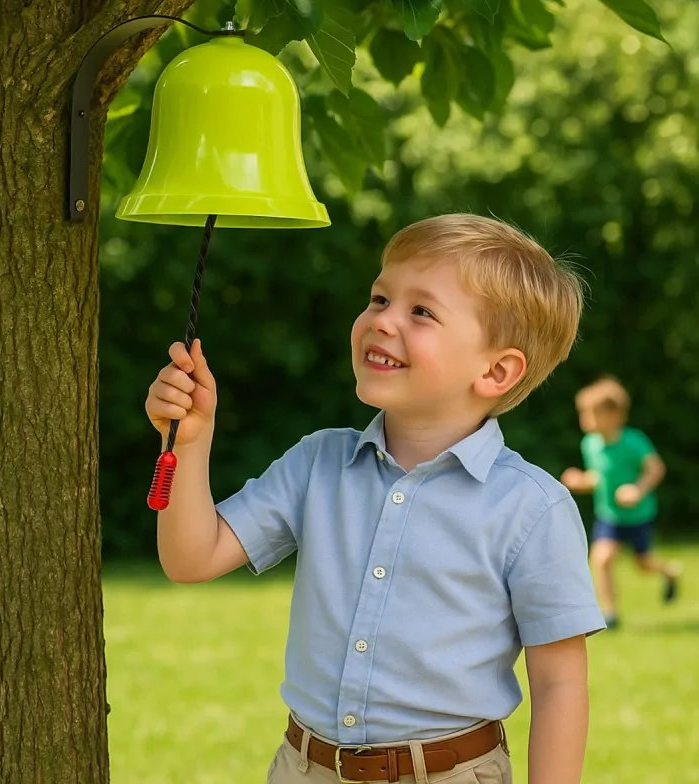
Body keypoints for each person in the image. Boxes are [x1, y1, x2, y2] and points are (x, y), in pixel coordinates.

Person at [145, 214, 605, 784]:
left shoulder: (532, 508)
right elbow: (191, 559)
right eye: (380, 298)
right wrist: (190, 442)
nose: (382, 320)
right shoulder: (318, 463)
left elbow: (560, 684)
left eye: (421, 311)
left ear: (495, 370)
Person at [561, 376, 680, 629]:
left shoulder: (633, 441)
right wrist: (581, 480)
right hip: (609, 515)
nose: (585, 420)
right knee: (602, 558)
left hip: (638, 515)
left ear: (615, 416)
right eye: (583, 413)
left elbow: (655, 469)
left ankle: (669, 573)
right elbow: (599, 477)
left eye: (593, 413)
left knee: (643, 564)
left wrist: (637, 490)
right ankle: (610, 614)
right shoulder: (590, 444)